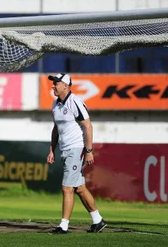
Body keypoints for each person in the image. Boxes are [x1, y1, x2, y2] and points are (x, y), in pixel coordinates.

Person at [46, 73, 106, 234]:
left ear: (65, 85)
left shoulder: (75, 102)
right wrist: (52, 149)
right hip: (65, 150)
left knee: (67, 188)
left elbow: (88, 126)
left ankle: (63, 225)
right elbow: (56, 129)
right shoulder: (55, 105)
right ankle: (98, 220)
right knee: (79, 188)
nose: (53, 86)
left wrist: (88, 150)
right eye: (53, 83)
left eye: (56, 83)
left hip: (76, 149)